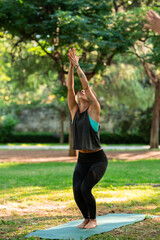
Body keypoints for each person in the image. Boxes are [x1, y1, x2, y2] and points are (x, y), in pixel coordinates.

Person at [67, 48, 108, 229]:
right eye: (80, 94)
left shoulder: (94, 111)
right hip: (82, 159)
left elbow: (85, 86)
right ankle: (86, 219)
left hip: (97, 159)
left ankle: (94, 220)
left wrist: (77, 66)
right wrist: (70, 65)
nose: (81, 93)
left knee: (85, 188)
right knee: (77, 191)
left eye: (84, 93)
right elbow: (70, 87)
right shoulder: (75, 112)